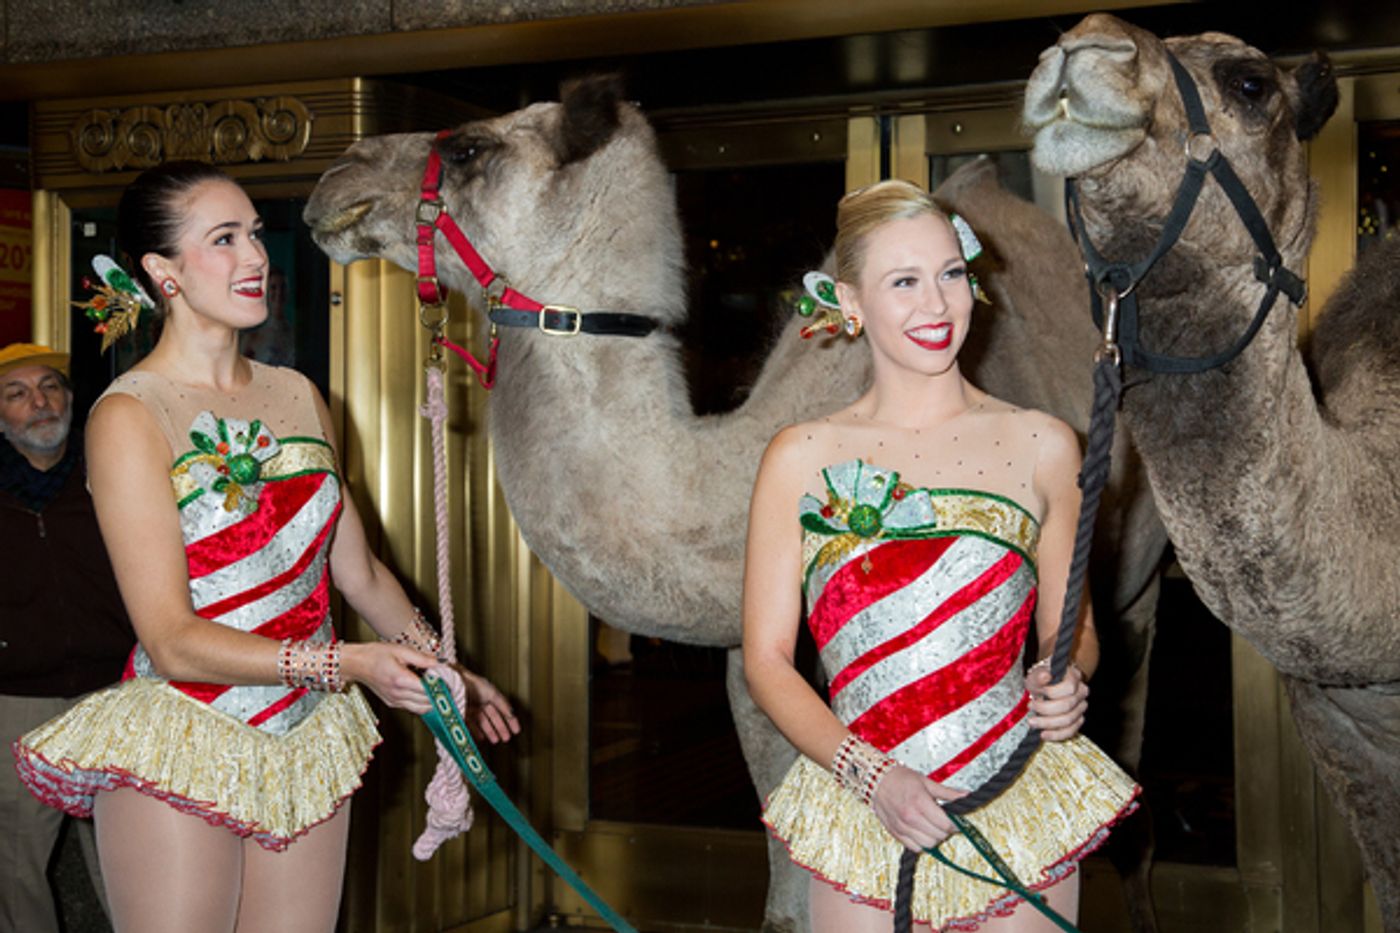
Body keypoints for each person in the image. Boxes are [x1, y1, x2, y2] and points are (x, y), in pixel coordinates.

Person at [12, 161, 520, 933]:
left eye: (253, 233)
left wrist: (445, 671)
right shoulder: (128, 413)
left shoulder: (299, 393)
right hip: (183, 736)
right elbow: (170, 638)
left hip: (307, 741)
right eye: (224, 239)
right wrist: (344, 663)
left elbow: (360, 572)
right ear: (162, 271)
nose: (256, 257)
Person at [743, 180, 1138, 932]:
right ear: (849, 302)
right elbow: (766, 660)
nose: (938, 303)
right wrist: (873, 777)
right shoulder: (799, 457)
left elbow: (1072, 630)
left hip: (1020, 806)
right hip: (868, 809)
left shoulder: (1045, 443)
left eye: (951, 272)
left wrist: (1070, 676)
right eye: (904, 281)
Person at [0, 343, 134, 933]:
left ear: (73, 401)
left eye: (50, 387)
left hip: (115, 697)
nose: (39, 403)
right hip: (16, 706)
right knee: (17, 865)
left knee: (132, 858)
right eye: (17, 393)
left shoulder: (108, 476)